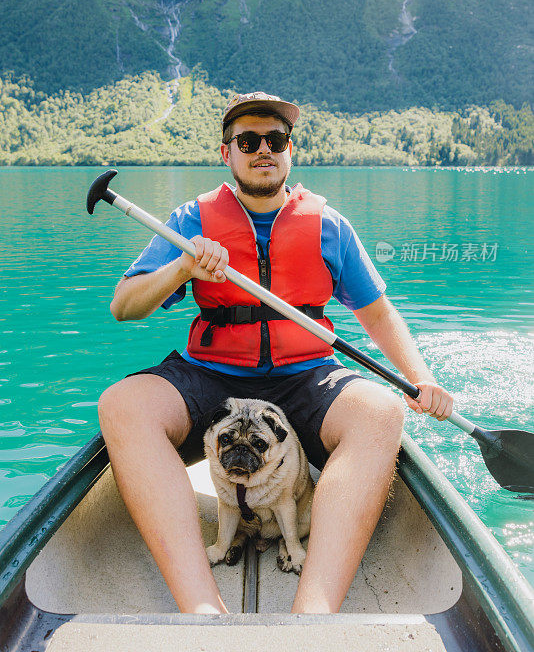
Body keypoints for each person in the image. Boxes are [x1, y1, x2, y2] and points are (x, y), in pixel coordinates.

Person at [98, 91, 454, 615]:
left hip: (305, 376)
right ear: (227, 153)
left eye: (276, 139)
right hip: (211, 376)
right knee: (122, 405)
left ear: (291, 150)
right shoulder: (190, 220)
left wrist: (420, 377)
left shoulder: (328, 226)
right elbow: (123, 306)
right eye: (248, 140)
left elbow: (377, 312)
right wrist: (182, 269)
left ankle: (313, 612)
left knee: (382, 412)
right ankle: (201, 609)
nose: (263, 149)